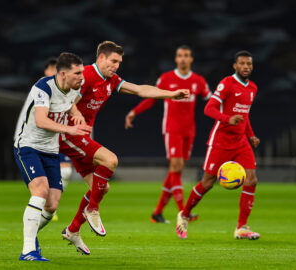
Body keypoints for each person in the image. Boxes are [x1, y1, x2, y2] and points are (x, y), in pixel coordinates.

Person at [60, 41, 190, 255]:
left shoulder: (111, 80)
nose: (117, 65)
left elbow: (139, 89)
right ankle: (92, 209)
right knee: (110, 160)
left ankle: (73, 230)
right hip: (69, 134)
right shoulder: (86, 76)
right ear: (100, 58)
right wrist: (76, 114)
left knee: (101, 188)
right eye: (113, 61)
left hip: (81, 138)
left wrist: (170, 94)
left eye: (119, 62)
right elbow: (65, 98)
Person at [14, 52, 91, 261]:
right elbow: (40, 120)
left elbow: (71, 102)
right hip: (28, 146)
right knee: (40, 190)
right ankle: (28, 250)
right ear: (63, 74)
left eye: (82, 72)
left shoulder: (74, 88)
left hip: (50, 150)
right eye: (78, 73)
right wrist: (70, 129)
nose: (82, 77)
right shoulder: (43, 87)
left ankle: (30, 237)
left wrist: (77, 114)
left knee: (52, 205)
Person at [176, 50, 260, 240]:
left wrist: (251, 135)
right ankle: (184, 214)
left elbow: (244, 117)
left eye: (249, 64)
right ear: (235, 66)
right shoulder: (227, 83)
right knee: (207, 183)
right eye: (242, 64)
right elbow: (209, 108)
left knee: (252, 179)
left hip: (241, 143)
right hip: (220, 141)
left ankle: (242, 228)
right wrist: (227, 119)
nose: (246, 67)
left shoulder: (253, 87)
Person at [125, 45, 211, 224]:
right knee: (177, 167)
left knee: (175, 170)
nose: (183, 59)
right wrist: (134, 111)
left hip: (189, 130)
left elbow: (211, 100)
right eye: (180, 55)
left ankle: (157, 213)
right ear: (176, 59)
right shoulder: (166, 78)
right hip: (172, 129)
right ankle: (183, 212)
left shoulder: (198, 81)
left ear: (191, 59)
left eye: (186, 55)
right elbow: (151, 98)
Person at [14, 57, 73, 191]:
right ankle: (44, 204)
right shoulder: (41, 88)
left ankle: (50, 206)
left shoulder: (66, 90)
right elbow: (34, 118)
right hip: (35, 141)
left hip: (57, 139)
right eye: (51, 68)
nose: (54, 71)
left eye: (56, 69)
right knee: (41, 184)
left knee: (65, 173)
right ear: (46, 71)